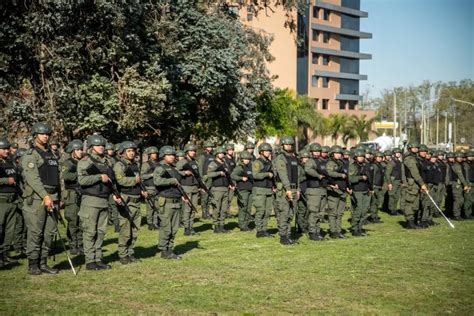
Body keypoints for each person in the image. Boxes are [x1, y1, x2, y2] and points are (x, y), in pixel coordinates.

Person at [21, 122, 60, 275]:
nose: (46, 136)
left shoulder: (51, 153)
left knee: (49, 232)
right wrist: (45, 196)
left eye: (48, 134)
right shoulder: (31, 154)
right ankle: (33, 264)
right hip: (38, 198)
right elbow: (33, 178)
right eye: (42, 133)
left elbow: (57, 177)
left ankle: (43, 262)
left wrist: (58, 197)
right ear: (35, 135)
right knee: (36, 232)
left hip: (53, 196)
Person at [78, 134, 119, 270]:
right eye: (98, 145)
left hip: (103, 199)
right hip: (90, 200)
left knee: (101, 231)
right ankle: (90, 261)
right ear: (91, 147)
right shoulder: (85, 161)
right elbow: (82, 180)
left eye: (102, 145)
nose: (101, 147)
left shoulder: (107, 162)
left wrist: (115, 193)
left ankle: (98, 258)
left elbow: (112, 179)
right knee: (90, 232)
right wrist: (98, 177)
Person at [113, 141, 146, 264]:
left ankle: (130, 252)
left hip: (136, 199)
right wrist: (134, 180)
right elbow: (120, 180)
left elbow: (139, 181)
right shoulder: (119, 165)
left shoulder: (135, 165)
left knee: (135, 229)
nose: (132, 153)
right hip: (126, 200)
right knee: (125, 230)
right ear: (122, 152)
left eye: (133, 151)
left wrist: (142, 191)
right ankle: (123, 255)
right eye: (129, 151)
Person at [153, 146, 185, 259]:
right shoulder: (160, 168)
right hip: (166, 201)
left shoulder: (174, 168)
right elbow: (156, 181)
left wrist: (182, 195)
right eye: (169, 155)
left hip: (176, 200)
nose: (172, 157)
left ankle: (170, 248)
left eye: (173, 155)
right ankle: (163, 249)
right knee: (166, 227)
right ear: (163, 156)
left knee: (174, 228)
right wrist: (171, 180)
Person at [273, 136, 300, 245]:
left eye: (291, 144)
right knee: (284, 213)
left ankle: (288, 235)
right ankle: (283, 236)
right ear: (283, 145)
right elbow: (283, 175)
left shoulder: (293, 158)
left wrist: (298, 189)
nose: (289, 146)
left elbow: (296, 175)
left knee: (290, 213)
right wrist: (288, 189)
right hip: (284, 189)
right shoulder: (281, 158)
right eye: (287, 144)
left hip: (293, 188)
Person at [61, 139, 84, 255]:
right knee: (73, 220)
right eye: (78, 150)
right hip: (71, 194)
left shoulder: (83, 162)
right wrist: (79, 174)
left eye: (81, 149)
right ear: (72, 151)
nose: (80, 152)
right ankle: (72, 245)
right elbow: (65, 175)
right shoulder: (68, 163)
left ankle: (80, 244)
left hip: (82, 194)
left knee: (81, 221)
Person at [0, 138, 20, 269]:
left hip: (12, 200)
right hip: (1, 200)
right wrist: (6, 180)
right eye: (4, 149)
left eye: (8, 148)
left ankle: (4, 255)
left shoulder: (10, 161)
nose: (7, 151)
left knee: (9, 231)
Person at [176, 144, 200, 236]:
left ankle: (191, 227)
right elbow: (175, 171)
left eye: (194, 151)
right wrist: (185, 172)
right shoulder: (182, 162)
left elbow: (198, 175)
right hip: (186, 186)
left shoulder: (195, 162)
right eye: (191, 151)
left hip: (194, 187)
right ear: (187, 152)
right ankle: (186, 228)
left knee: (193, 208)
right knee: (187, 208)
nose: (193, 152)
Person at [402, 142, 427, 229]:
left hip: (416, 183)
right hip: (412, 183)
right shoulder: (409, 159)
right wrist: (422, 183)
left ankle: (414, 221)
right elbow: (414, 173)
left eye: (417, 148)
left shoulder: (415, 158)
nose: (416, 149)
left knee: (416, 203)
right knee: (410, 202)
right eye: (414, 148)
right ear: (409, 148)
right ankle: (409, 222)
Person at [207, 147, 232, 233]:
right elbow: (209, 174)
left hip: (225, 188)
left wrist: (231, 184)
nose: (222, 154)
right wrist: (219, 173)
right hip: (217, 189)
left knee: (224, 208)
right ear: (217, 154)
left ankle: (222, 225)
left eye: (223, 153)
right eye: (221, 153)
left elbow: (228, 174)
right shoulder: (213, 163)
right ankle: (215, 226)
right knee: (216, 208)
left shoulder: (225, 163)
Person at [252, 143, 275, 238]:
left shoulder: (269, 162)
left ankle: (264, 229)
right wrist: (267, 174)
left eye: (269, 151)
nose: (268, 152)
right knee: (260, 211)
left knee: (267, 211)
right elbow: (255, 175)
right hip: (259, 190)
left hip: (268, 189)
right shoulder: (257, 162)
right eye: (266, 151)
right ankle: (259, 230)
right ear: (261, 152)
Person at [326, 146, 349, 239]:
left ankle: (338, 230)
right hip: (334, 190)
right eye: (336, 153)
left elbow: (347, 176)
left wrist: (348, 186)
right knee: (333, 212)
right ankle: (333, 231)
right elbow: (329, 173)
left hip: (343, 190)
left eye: (340, 153)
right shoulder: (330, 163)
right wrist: (341, 175)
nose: (338, 155)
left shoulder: (343, 162)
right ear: (332, 154)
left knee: (340, 213)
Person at [305, 143, 327, 241]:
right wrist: (318, 176)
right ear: (311, 152)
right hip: (313, 190)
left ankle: (317, 231)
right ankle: (312, 232)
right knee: (314, 212)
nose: (317, 152)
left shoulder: (322, 161)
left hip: (322, 189)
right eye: (315, 151)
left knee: (321, 213)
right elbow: (308, 170)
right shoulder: (310, 161)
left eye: (318, 151)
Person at [349, 149, 371, 236]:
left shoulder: (365, 165)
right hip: (357, 190)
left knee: (364, 211)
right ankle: (354, 228)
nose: (361, 158)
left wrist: (370, 188)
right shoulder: (353, 166)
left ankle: (360, 227)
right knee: (358, 210)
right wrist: (361, 177)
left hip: (365, 190)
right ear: (355, 157)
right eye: (359, 157)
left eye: (362, 157)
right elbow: (350, 179)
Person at [231, 151, 254, 231]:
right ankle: (242, 225)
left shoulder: (250, 166)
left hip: (250, 189)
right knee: (243, 208)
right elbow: (232, 175)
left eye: (248, 159)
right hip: (243, 189)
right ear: (241, 159)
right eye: (245, 159)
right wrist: (241, 178)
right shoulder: (239, 167)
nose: (247, 160)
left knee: (248, 207)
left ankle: (246, 224)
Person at [141, 146, 160, 230]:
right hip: (150, 187)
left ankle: (155, 222)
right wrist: (151, 175)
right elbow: (142, 176)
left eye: (156, 153)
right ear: (149, 154)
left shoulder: (159, 164)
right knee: (150, 206)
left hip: (158, 187)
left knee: (157, 206)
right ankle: (150, 223)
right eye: (153, 153)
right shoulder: (146, 164)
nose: (155, 155)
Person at [197, 141, 215, 219]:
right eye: (209, 147)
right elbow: (200, 168)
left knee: (210, 196)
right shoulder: (202, 156)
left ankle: (208, 211)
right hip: (206, 178)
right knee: (205, 196)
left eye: (211, 147)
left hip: (212, 178)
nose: (210, 148)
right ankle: (204, 213)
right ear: (205, 148)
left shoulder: (213, 156)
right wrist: (201, 180)